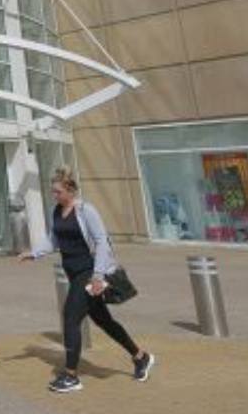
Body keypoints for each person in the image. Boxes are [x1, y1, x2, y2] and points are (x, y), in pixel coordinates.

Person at [18, 166, 153, 394]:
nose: (55, 196)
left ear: (70, 190)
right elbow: (53, 240)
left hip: (88, 273)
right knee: (103, 321)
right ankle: (141, 357)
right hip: (73, 273)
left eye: (58, 192)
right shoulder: (56, 211)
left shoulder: (85, 210)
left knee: (71, 317)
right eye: (53, 192)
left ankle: (71, 375)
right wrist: (34, 253)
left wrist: (98, 276)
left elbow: (101, 241)